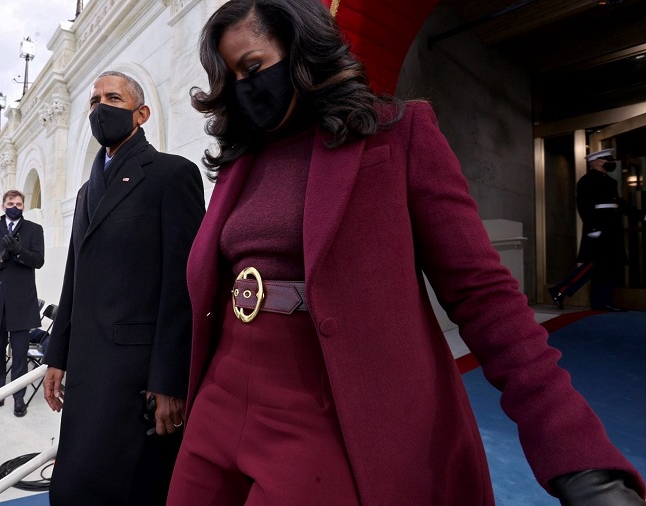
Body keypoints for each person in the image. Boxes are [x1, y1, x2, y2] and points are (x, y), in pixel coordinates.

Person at [165, 2, 646, 505]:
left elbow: (485, 297)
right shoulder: (240, 161)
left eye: (254, 66)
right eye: (231, 77)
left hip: (326, 411)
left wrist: (580, 457)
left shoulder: (399, 133)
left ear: (301, 49)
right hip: (220, 401)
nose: (245, 87)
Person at [41, 71, 205, 505]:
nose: (100, 107)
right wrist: (56, 356)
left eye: (113, 98)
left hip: (138, 380)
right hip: (86, 371)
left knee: (131, 488)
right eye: (94, 100)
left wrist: (169, 380)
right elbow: (73, 277)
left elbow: (182, 288)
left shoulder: (173, 175)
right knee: (75, 489)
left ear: (141, 113)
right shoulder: (83, 193)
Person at [548, 148, 646, 311]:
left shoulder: (609, 181)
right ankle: (560, 289)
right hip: (599, 228)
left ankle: (602, 303)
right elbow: (583, 205)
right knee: (595, 264)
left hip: (612, 227)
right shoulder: (587, 180)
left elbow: (619, 204)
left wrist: (641, 216)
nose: (610, 163)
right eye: (606, 160)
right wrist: (593, 227)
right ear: (594, 162)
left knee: (612, 266)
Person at [0, 190, 44, 417]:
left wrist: (19, 251)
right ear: (3, 205)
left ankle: (18, 397)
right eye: (10, 203)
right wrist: (3, 256)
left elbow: (38, 260)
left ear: (23, 206)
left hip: (21, 302)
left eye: (18, 203)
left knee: (20, 353)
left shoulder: (34, 229)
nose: (14, 206)